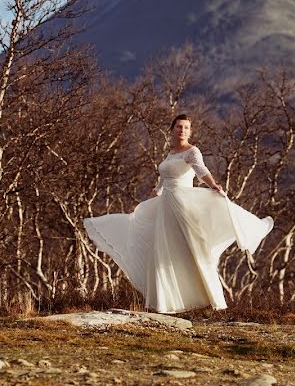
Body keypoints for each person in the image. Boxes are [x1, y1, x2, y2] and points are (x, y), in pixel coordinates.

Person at [83, 114, 273, 313]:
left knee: (190, 249)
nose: (182, 130)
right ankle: (166, 302)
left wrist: (214, 185)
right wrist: (150, 198)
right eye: (179, 127)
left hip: (182, 205)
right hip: (165, 206)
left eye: (186, 127)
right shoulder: (171, 153)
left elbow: (201, 171)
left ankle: (205, 300)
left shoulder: (192, 151)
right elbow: (162, 181)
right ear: (172, 129)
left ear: (190, 131)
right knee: (162, 250)